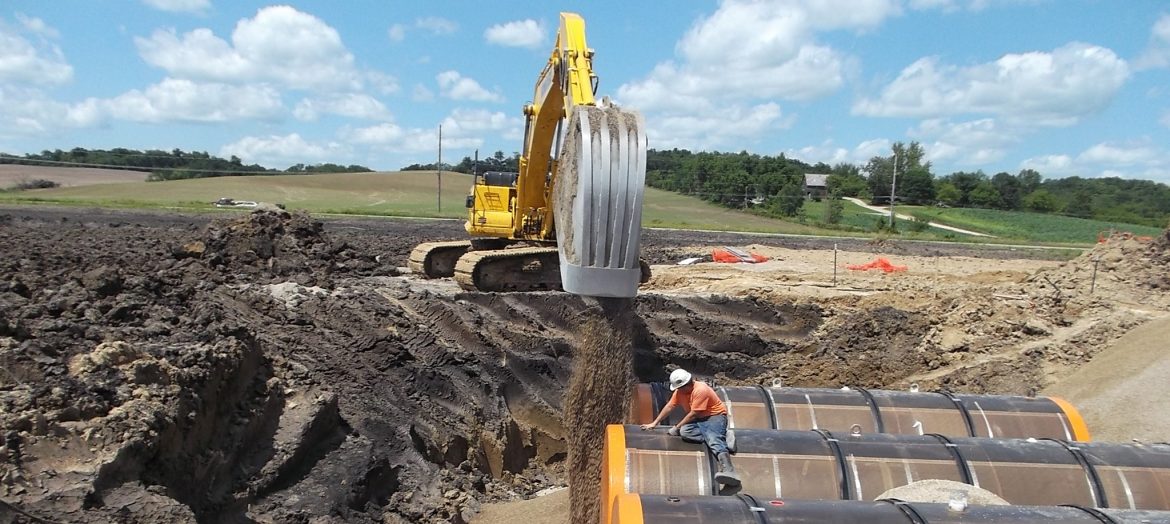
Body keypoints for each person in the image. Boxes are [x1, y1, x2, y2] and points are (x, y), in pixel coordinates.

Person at [639, 368, 740, 487]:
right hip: (699, 420)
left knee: (713, 439)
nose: (678, 391)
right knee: (685, 432)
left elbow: (694, 414)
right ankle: (724, 436)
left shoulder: (701, 390)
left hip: (714, 417)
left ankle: (729, 470)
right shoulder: (680, 392)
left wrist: (676, 426)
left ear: (687, 384)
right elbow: (670, 406)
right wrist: (654, 423)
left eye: (679, 388)